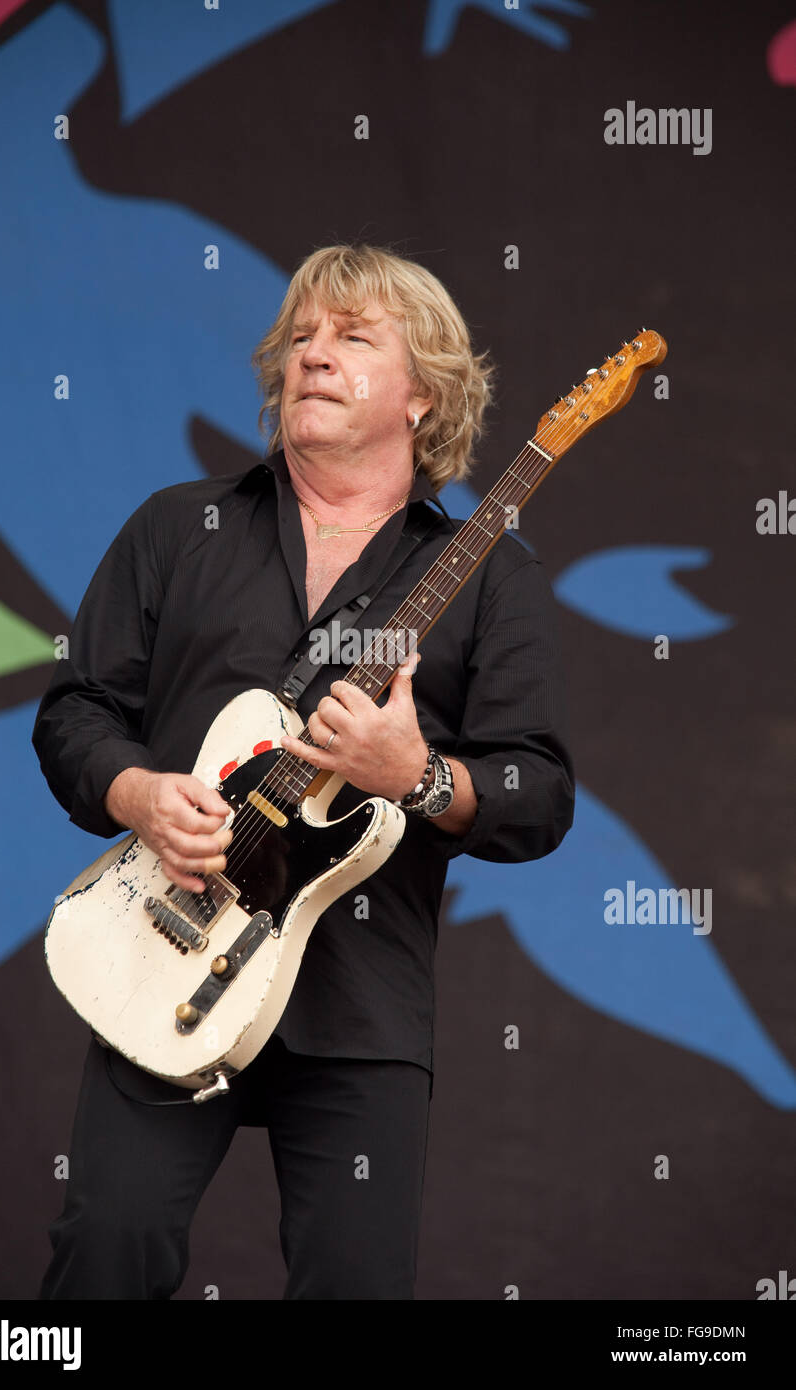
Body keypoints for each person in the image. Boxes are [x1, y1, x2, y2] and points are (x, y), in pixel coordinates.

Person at [32, 242, 575, 1300]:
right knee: (108, 1249)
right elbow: (76, 714)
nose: (310, 354)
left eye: (351, 337)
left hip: (360, 1002)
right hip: (168, 949)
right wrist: (140, 796)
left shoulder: (489, 576)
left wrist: (414, 776)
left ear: (424, 396)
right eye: (300, 337)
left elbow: (538, 791)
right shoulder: (176, 531)